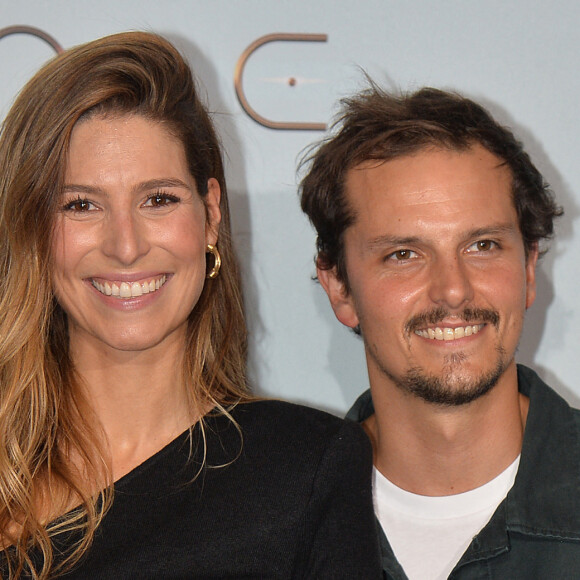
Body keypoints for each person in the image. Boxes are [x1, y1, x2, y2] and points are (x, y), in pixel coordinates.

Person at [0, 32, 382, 579]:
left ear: (210, 215)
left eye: (158, 199)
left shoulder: (303, 468)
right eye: (81, 205)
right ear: (34, 231)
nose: (125, 245)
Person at [300, 84, 580, 578]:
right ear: (340, 287)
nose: (453, 291)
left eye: (483, 245)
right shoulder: (276, 526)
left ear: (530, 267)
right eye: (403, 255)